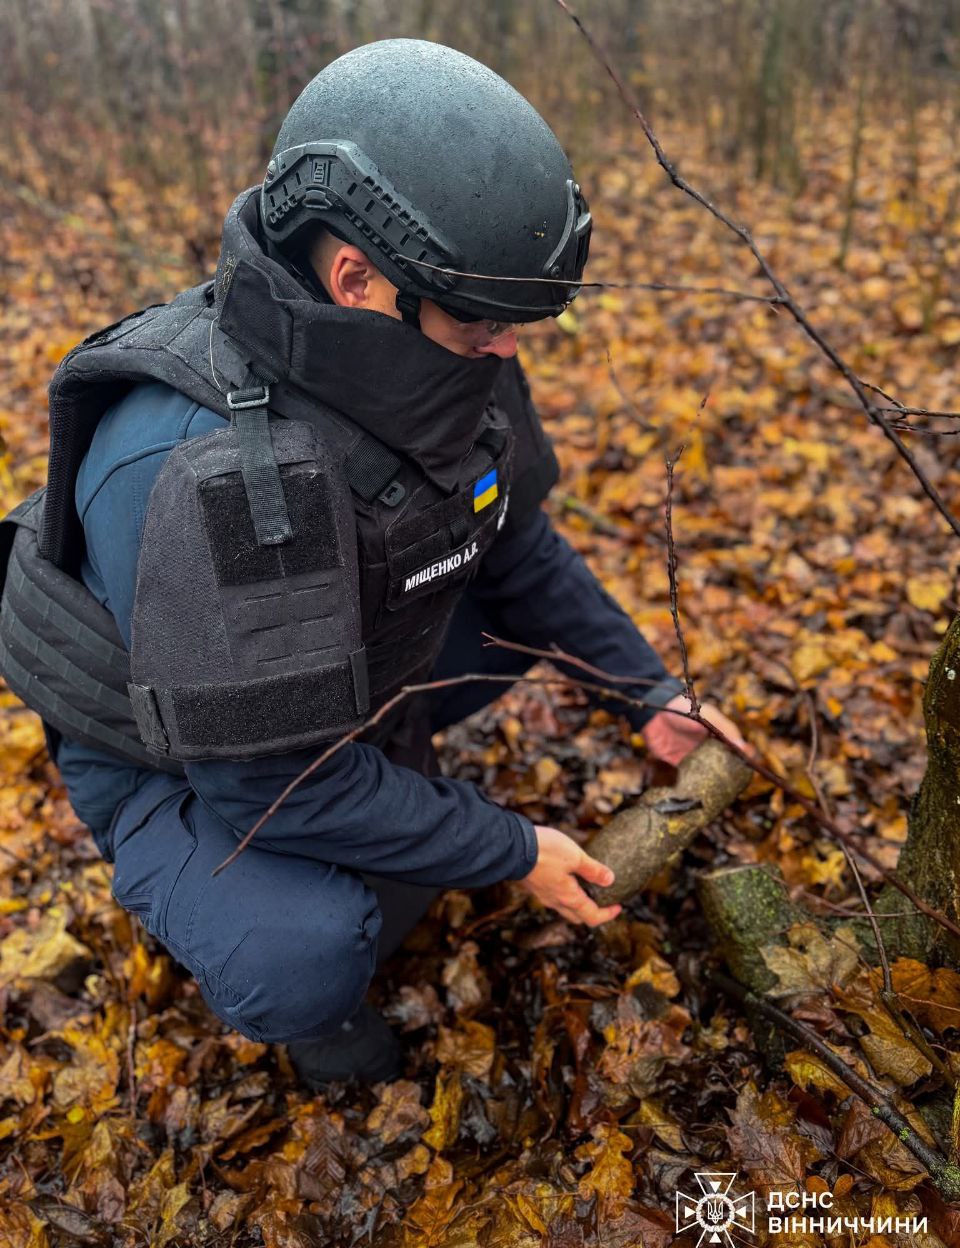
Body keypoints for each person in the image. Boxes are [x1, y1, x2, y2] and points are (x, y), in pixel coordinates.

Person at [0, 39, 746, 1086]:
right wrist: (510, 847)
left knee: (456, 724)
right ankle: (269, 956)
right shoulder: (214, 469)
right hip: (172, 749)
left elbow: (516, 544)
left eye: (518, 320)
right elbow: (268, 781)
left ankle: (387, 782)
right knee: (303, 949)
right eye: (487, 322)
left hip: (332, 660)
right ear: (357, 277)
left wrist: (647, 692)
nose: (510, 348)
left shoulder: (450, 342)